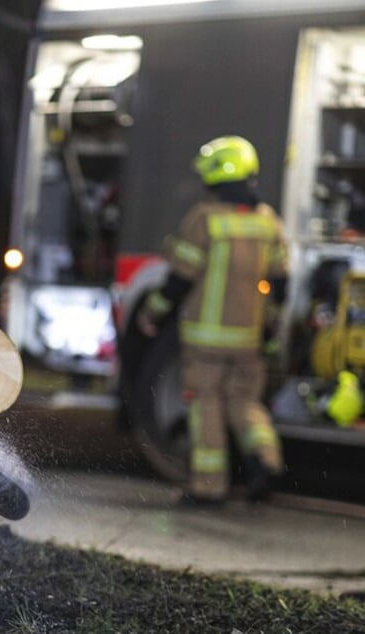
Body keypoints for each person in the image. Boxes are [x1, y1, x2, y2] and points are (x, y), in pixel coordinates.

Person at [137, 135, 288, 506]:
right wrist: (268, 330)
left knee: (205, 403)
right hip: (249, 340)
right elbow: (281, 283)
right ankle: (265, 463)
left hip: (206, 340)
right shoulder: (268, 223)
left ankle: (208, 486)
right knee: (246, 402)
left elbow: (179, 280)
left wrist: (152, 314)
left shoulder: (205, 220)